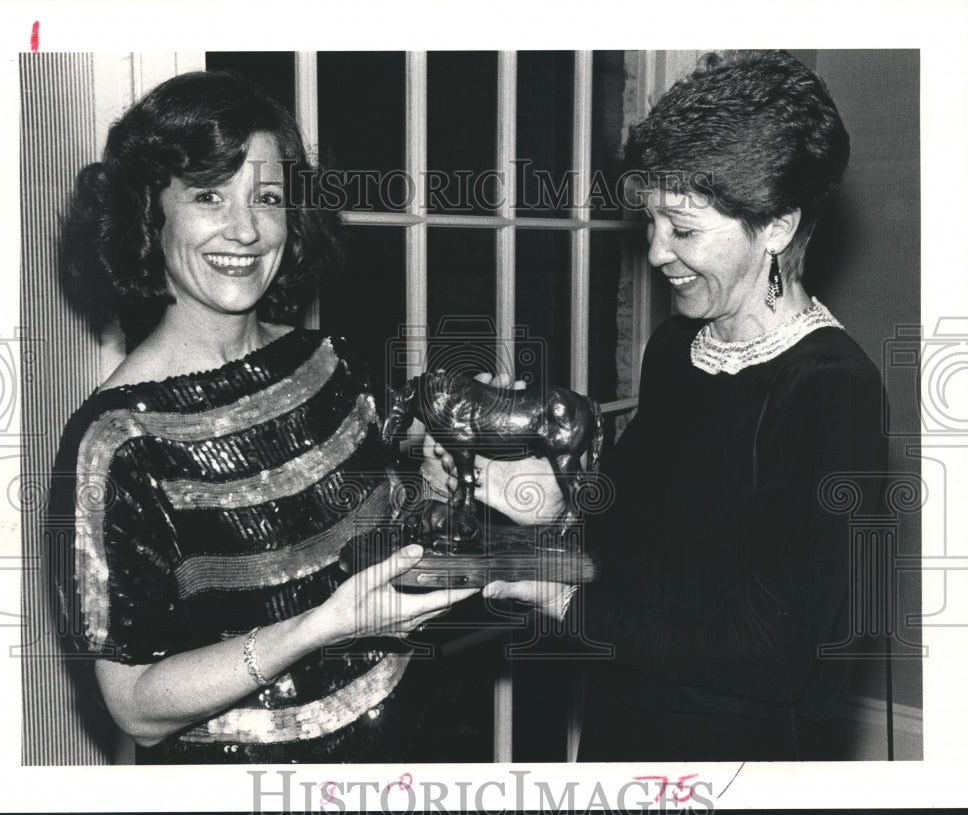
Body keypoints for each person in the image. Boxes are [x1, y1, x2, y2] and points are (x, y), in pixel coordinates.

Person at [426, 50, 888, 761]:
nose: (656, 251)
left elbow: (770, 655)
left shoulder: (829, 388)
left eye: (683, 228)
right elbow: (646, 545)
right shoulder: (678, 348)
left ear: (776, 227)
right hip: (627, 726)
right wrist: (554, 499)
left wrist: (563, 602)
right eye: (650, 222)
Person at [48, 71, 479, 764]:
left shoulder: (330, 361)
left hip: (414, 747)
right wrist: (315, 629)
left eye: (267, 197)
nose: (246, 229)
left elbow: (388, 545)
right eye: (209, 195)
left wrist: (445, 478)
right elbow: (134, 708)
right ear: (149, 214)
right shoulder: (116, 440)